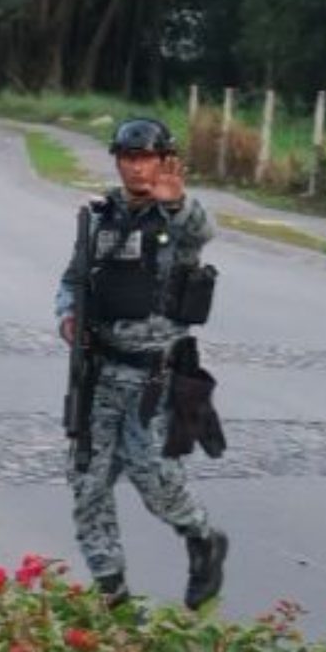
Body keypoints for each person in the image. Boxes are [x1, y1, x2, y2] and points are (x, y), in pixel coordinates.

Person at [56, 117, 226, 610]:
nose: (136, 167)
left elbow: (203, 231)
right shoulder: (98, 217)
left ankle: (201, 537)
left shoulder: (177, 218)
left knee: (153, 476)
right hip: (99, 372)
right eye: (128, 158)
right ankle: (112, 592)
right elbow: (71, 279)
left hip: (155, 375)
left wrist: (175, 201)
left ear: (163, 160)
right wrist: (67, 315)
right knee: (87, 480)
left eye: (146, 157)